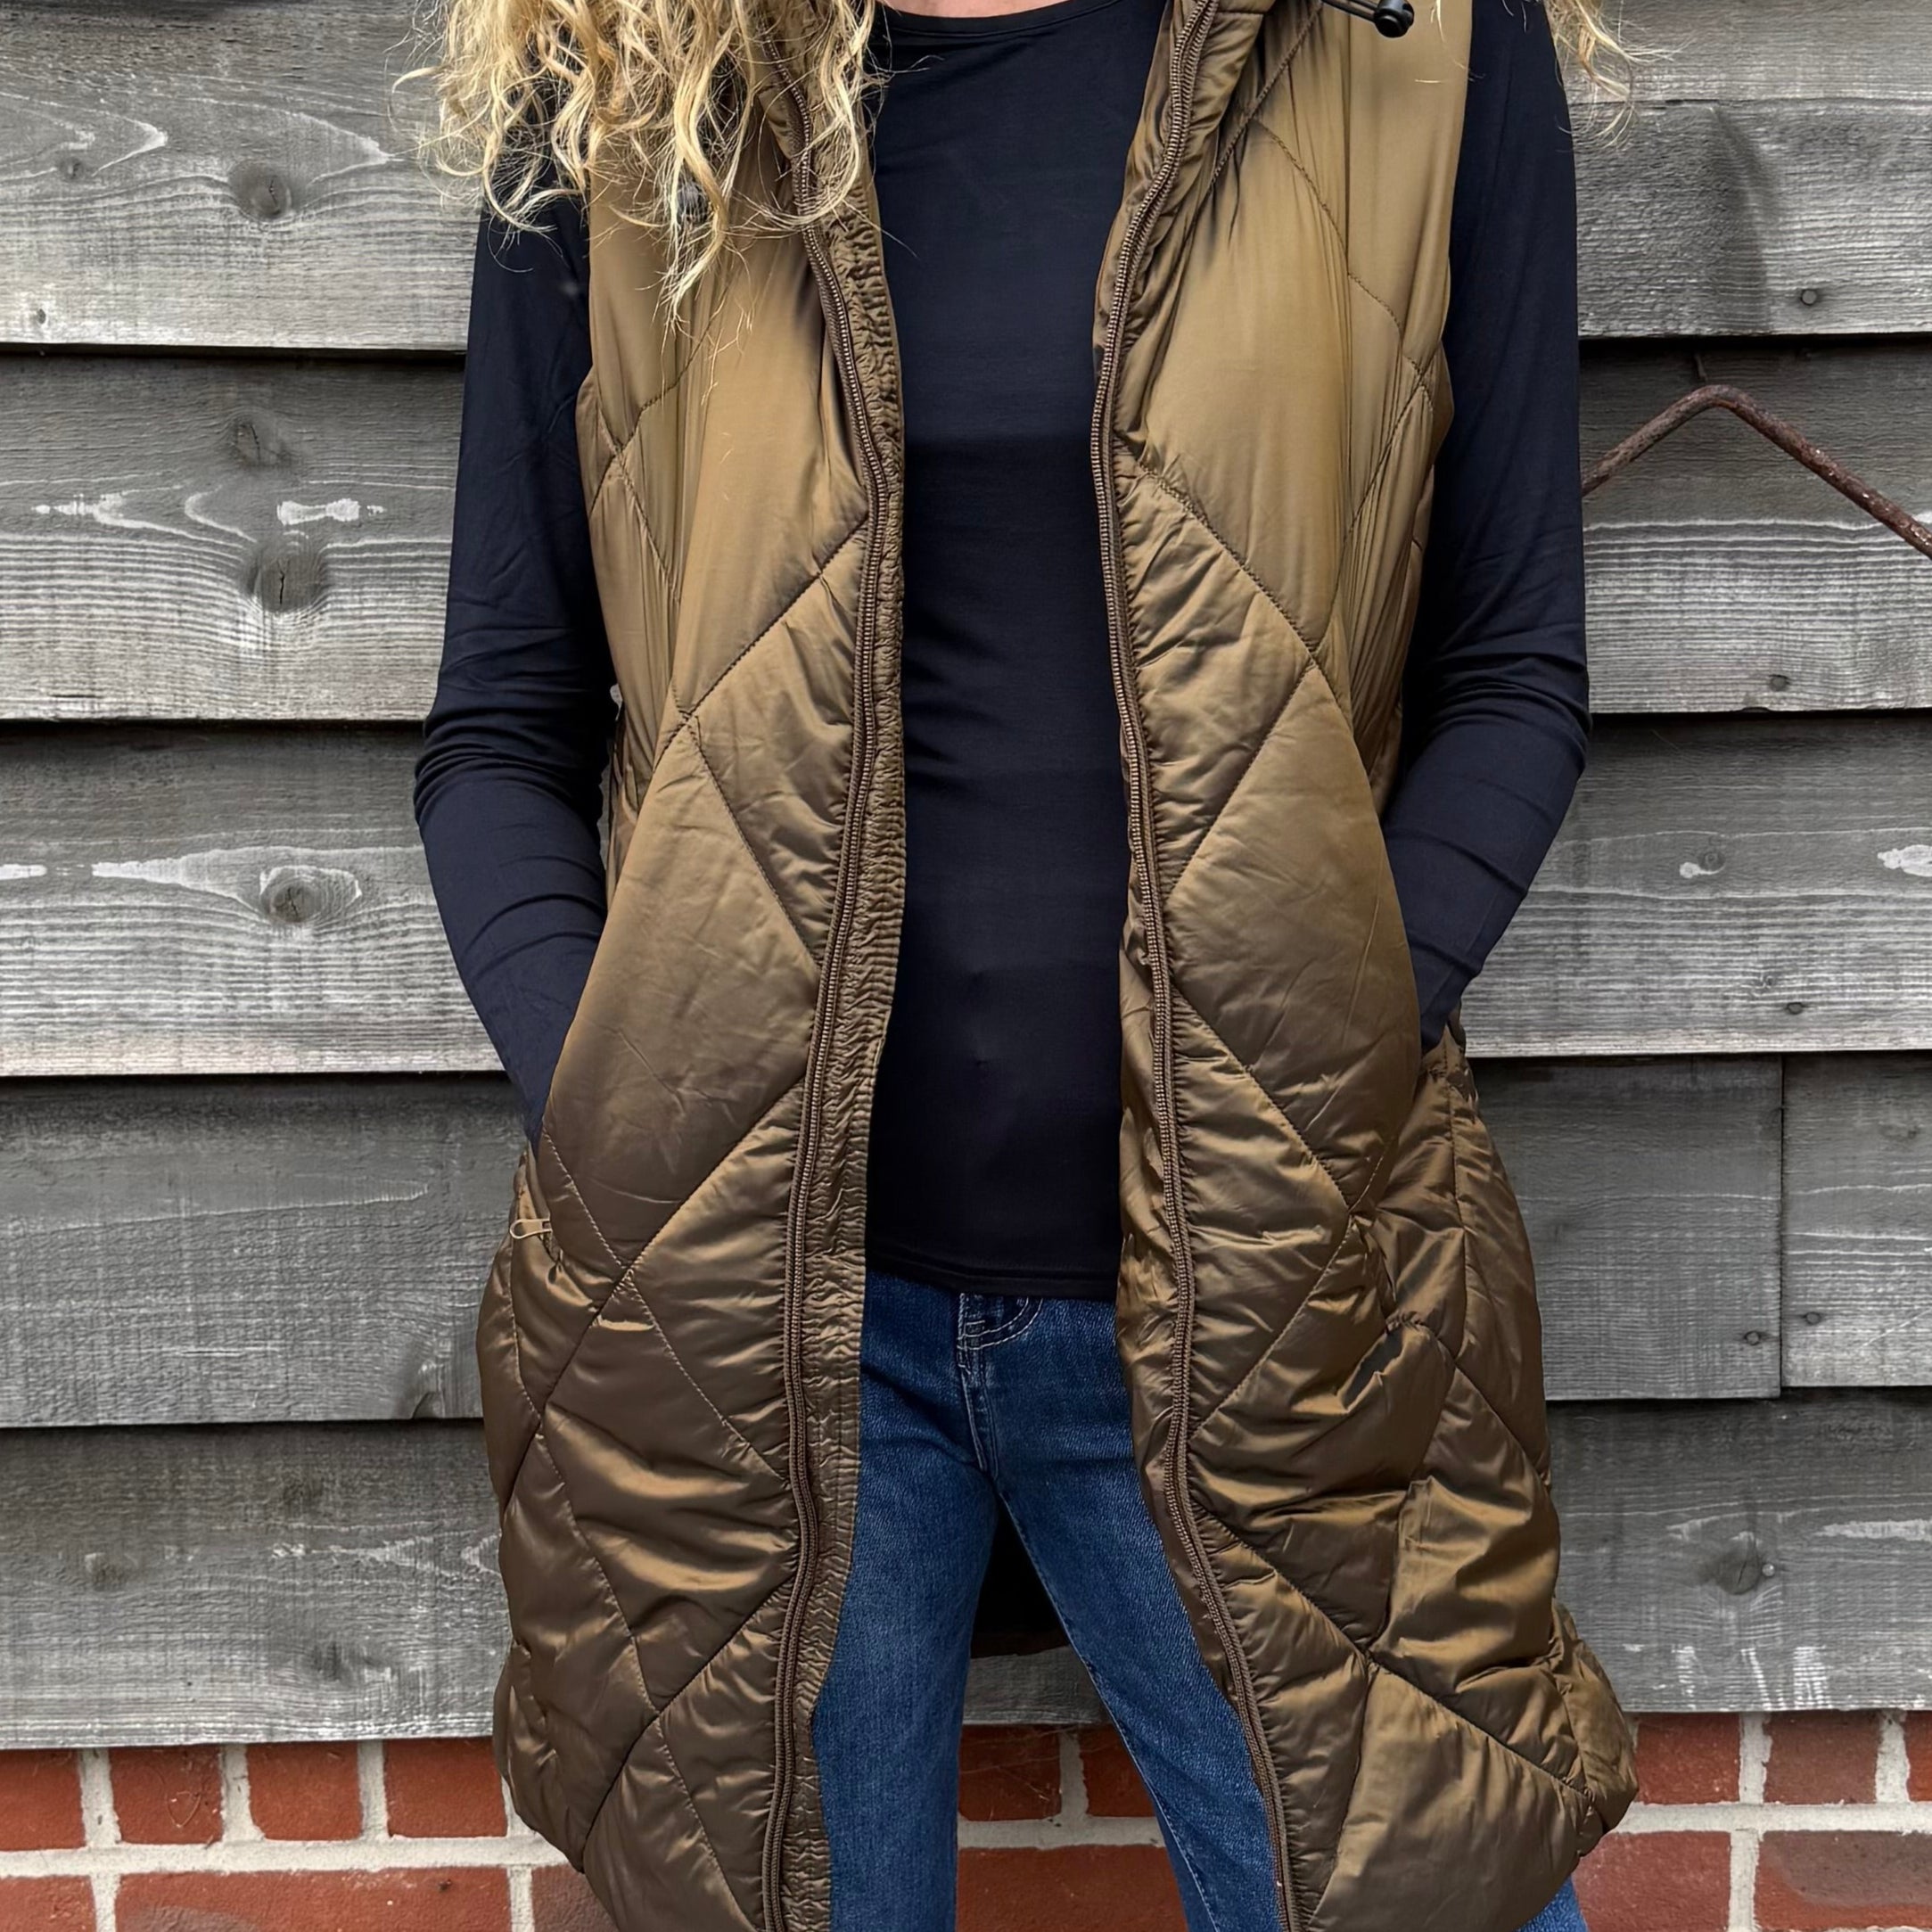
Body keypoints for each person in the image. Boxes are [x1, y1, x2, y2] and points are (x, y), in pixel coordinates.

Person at [415, 0, 1639, 1926]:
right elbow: (501, 723)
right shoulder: (630, 75)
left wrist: (1311, 1094)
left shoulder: (1405, 50)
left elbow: (1509, 678)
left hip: (1267, 1306)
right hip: (747, 1343)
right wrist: (624, 1130)